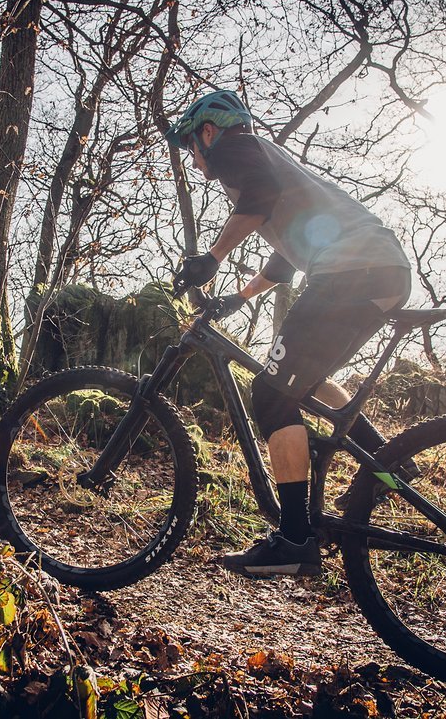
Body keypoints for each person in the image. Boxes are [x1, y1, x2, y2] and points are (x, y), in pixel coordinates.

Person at [166, 89, 413, 577]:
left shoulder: (238, 150)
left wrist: (209, 259)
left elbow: (258, 201)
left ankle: (295, 539)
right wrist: (240, 296)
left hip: (351, 271)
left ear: (208, 132)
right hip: (378, 269)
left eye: (192, 147)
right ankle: (389, 463)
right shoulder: (270, 162)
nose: (194, 160)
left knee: (270, 391)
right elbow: (285, 256)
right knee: (303, 378)